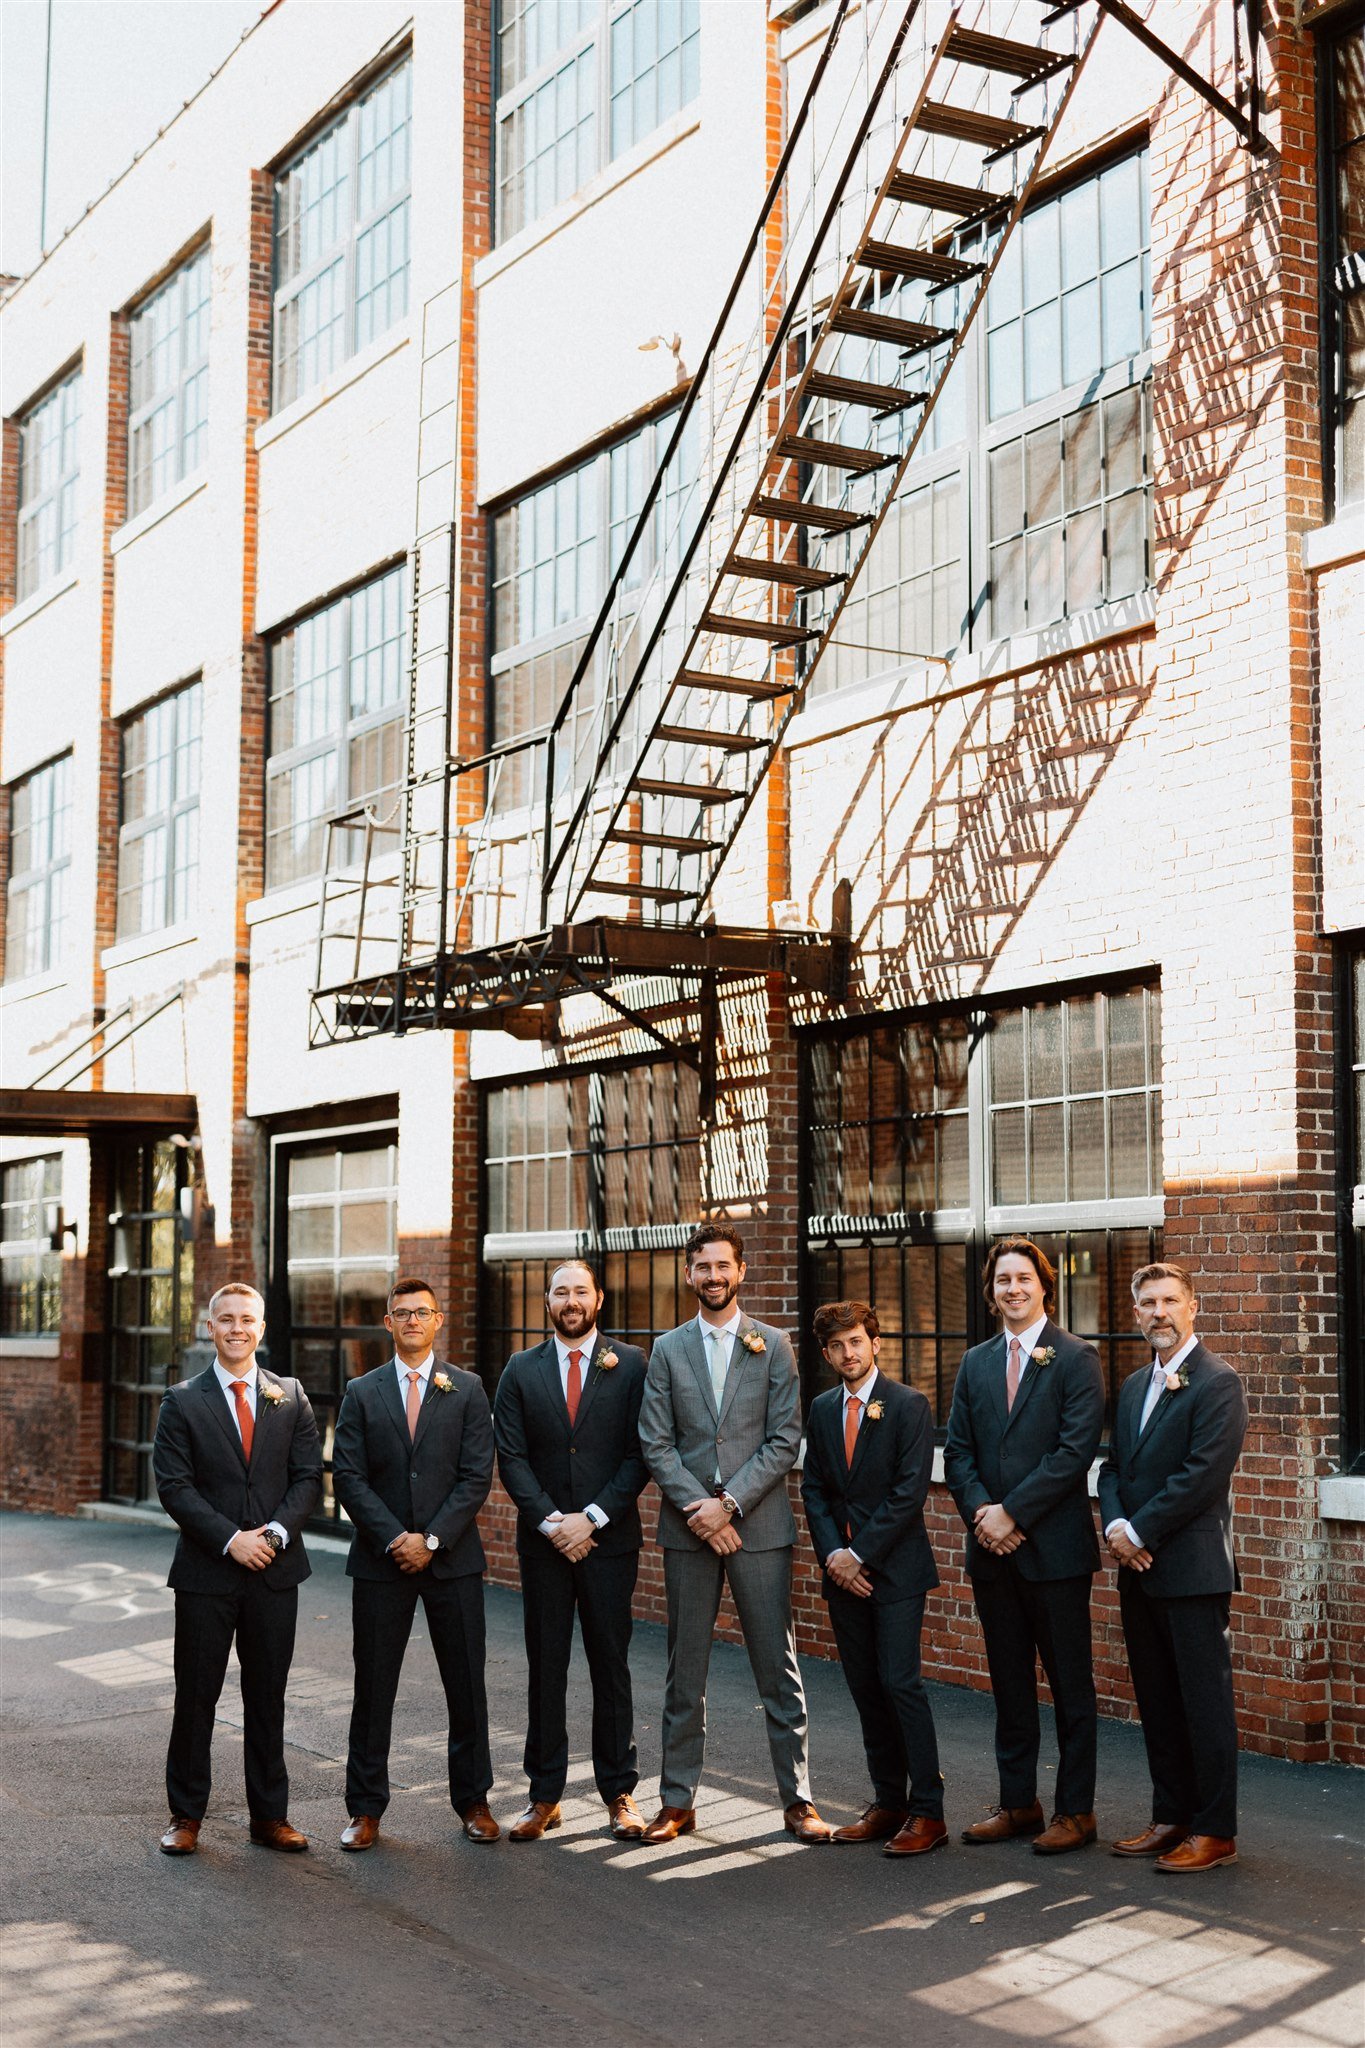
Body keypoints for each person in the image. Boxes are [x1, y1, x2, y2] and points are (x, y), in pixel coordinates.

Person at [637, 1223, 832, 1844]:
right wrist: (702, 1509)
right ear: (689, 1273)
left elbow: (784, 1439)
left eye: (724, 1266)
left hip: (760, 1528)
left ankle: (798, 1802)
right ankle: (676, 1801)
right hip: (689, 1529)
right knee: (683, 1670)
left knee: (778, 1667)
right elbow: (655, 1441)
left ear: (740, 1272)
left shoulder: (772, 1345)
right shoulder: (668, 1349)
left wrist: (730, 1505)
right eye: (703, 1267)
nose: (713, 1277)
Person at [943, 1237, 1106, 1854]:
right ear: (991, 1293)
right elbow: (958, 1452)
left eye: (1024, 1279)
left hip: (1055, 1553)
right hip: (992, 1551)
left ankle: (1076, 1811)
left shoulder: (1075, 1358)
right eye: (1002, 1280)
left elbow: (1073, 1453)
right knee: (1009, 1685)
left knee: (1071, 1687)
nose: (1013, 1289)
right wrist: (984, 1516)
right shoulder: (976, 1362)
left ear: (1045, 1287)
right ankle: (1019, 1804)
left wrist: (1013, 1512)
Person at [153, 1281, 322, 1855]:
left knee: (267, 1695)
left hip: (274, 1573)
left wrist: (271, 1535)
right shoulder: (182, 1400)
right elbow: (174, 1487)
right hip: (207, 1574)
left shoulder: (291, 1395)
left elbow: (307, 1479)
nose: (236, 1328)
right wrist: (231, 1540)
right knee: (196, 1696)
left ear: (262, 1328)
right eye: (225, 1319)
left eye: (246, 1319)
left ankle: (269, 1817)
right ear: (210, 1327)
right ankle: (185, 1817)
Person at [331, 1277, 498, 1850]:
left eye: (421, 1312)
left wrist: (431, 1539)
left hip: (452, 1560)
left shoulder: (469, 1389)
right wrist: (395, 1538)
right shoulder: (362, 1391)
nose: (411, 1321)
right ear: (388, 1323)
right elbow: (348, 1475)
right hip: (382, 1563)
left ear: (438, 1319)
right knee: (374, 1686)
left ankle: (474, 1802)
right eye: (401, 1313)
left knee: (466, 1686)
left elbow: (477, 1474)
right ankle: (365, 1809)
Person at [1099, 1262, 1249, 1873]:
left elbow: (1202, 1475)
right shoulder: (1134, 1386)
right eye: (1147, 1303)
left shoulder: (1218, 1382)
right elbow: (1113, 1468)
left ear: (1193, 1308)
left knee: (1203, 1704)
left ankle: (1215, 1832)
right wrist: (1114, 1527)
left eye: (1169, 1301)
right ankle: (1172, 1817)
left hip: (1190, 1570)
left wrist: (1138, 1529)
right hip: (1137, 1568)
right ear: (1135, 1313)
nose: (1158, 1312)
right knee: (1157, 1700)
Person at [492, 1260, 650, 1842]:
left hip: (609, 1543)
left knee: (612, 1666)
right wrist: (553, 1522)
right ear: (548, 1301)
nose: (571, 1300)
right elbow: (510, 1455)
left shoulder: (632, 1364)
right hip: (545, 1545)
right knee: (546, 1668)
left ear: (599, 1298)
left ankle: (619, 1792)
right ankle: (544, 1796)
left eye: (580, 1291)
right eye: (561, 1292)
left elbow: (642, 1451)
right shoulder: (519, 1369)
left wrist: (594, 1519)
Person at [800, 1301, 945, 1857]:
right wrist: (835, 1555)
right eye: (837, 1346)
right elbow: (815, 1488)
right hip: (843, 1573)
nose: (848, 1353)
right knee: (864, 1687)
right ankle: (889, 1801)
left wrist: (859, 1554)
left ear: (875, 1342)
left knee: (900, 1683)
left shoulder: (908, 1404)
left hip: (896, 1570)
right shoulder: (821, 1408)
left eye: (856, 1341)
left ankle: (928, 1811)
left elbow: (909, 1492)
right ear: (827, 1354)